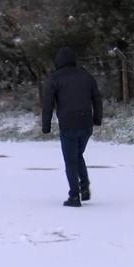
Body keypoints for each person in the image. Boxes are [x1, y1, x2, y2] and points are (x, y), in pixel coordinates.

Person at [41, 47, 103, 207]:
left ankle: (74, 196)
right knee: (77, 155)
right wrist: (97, 118)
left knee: (71, 161)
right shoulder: (86, 75)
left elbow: (47, 103)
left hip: (68, 124)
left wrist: (46, 125)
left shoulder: (55, 78)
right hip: (86, 123)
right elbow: (97, 98)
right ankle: (84, 188)